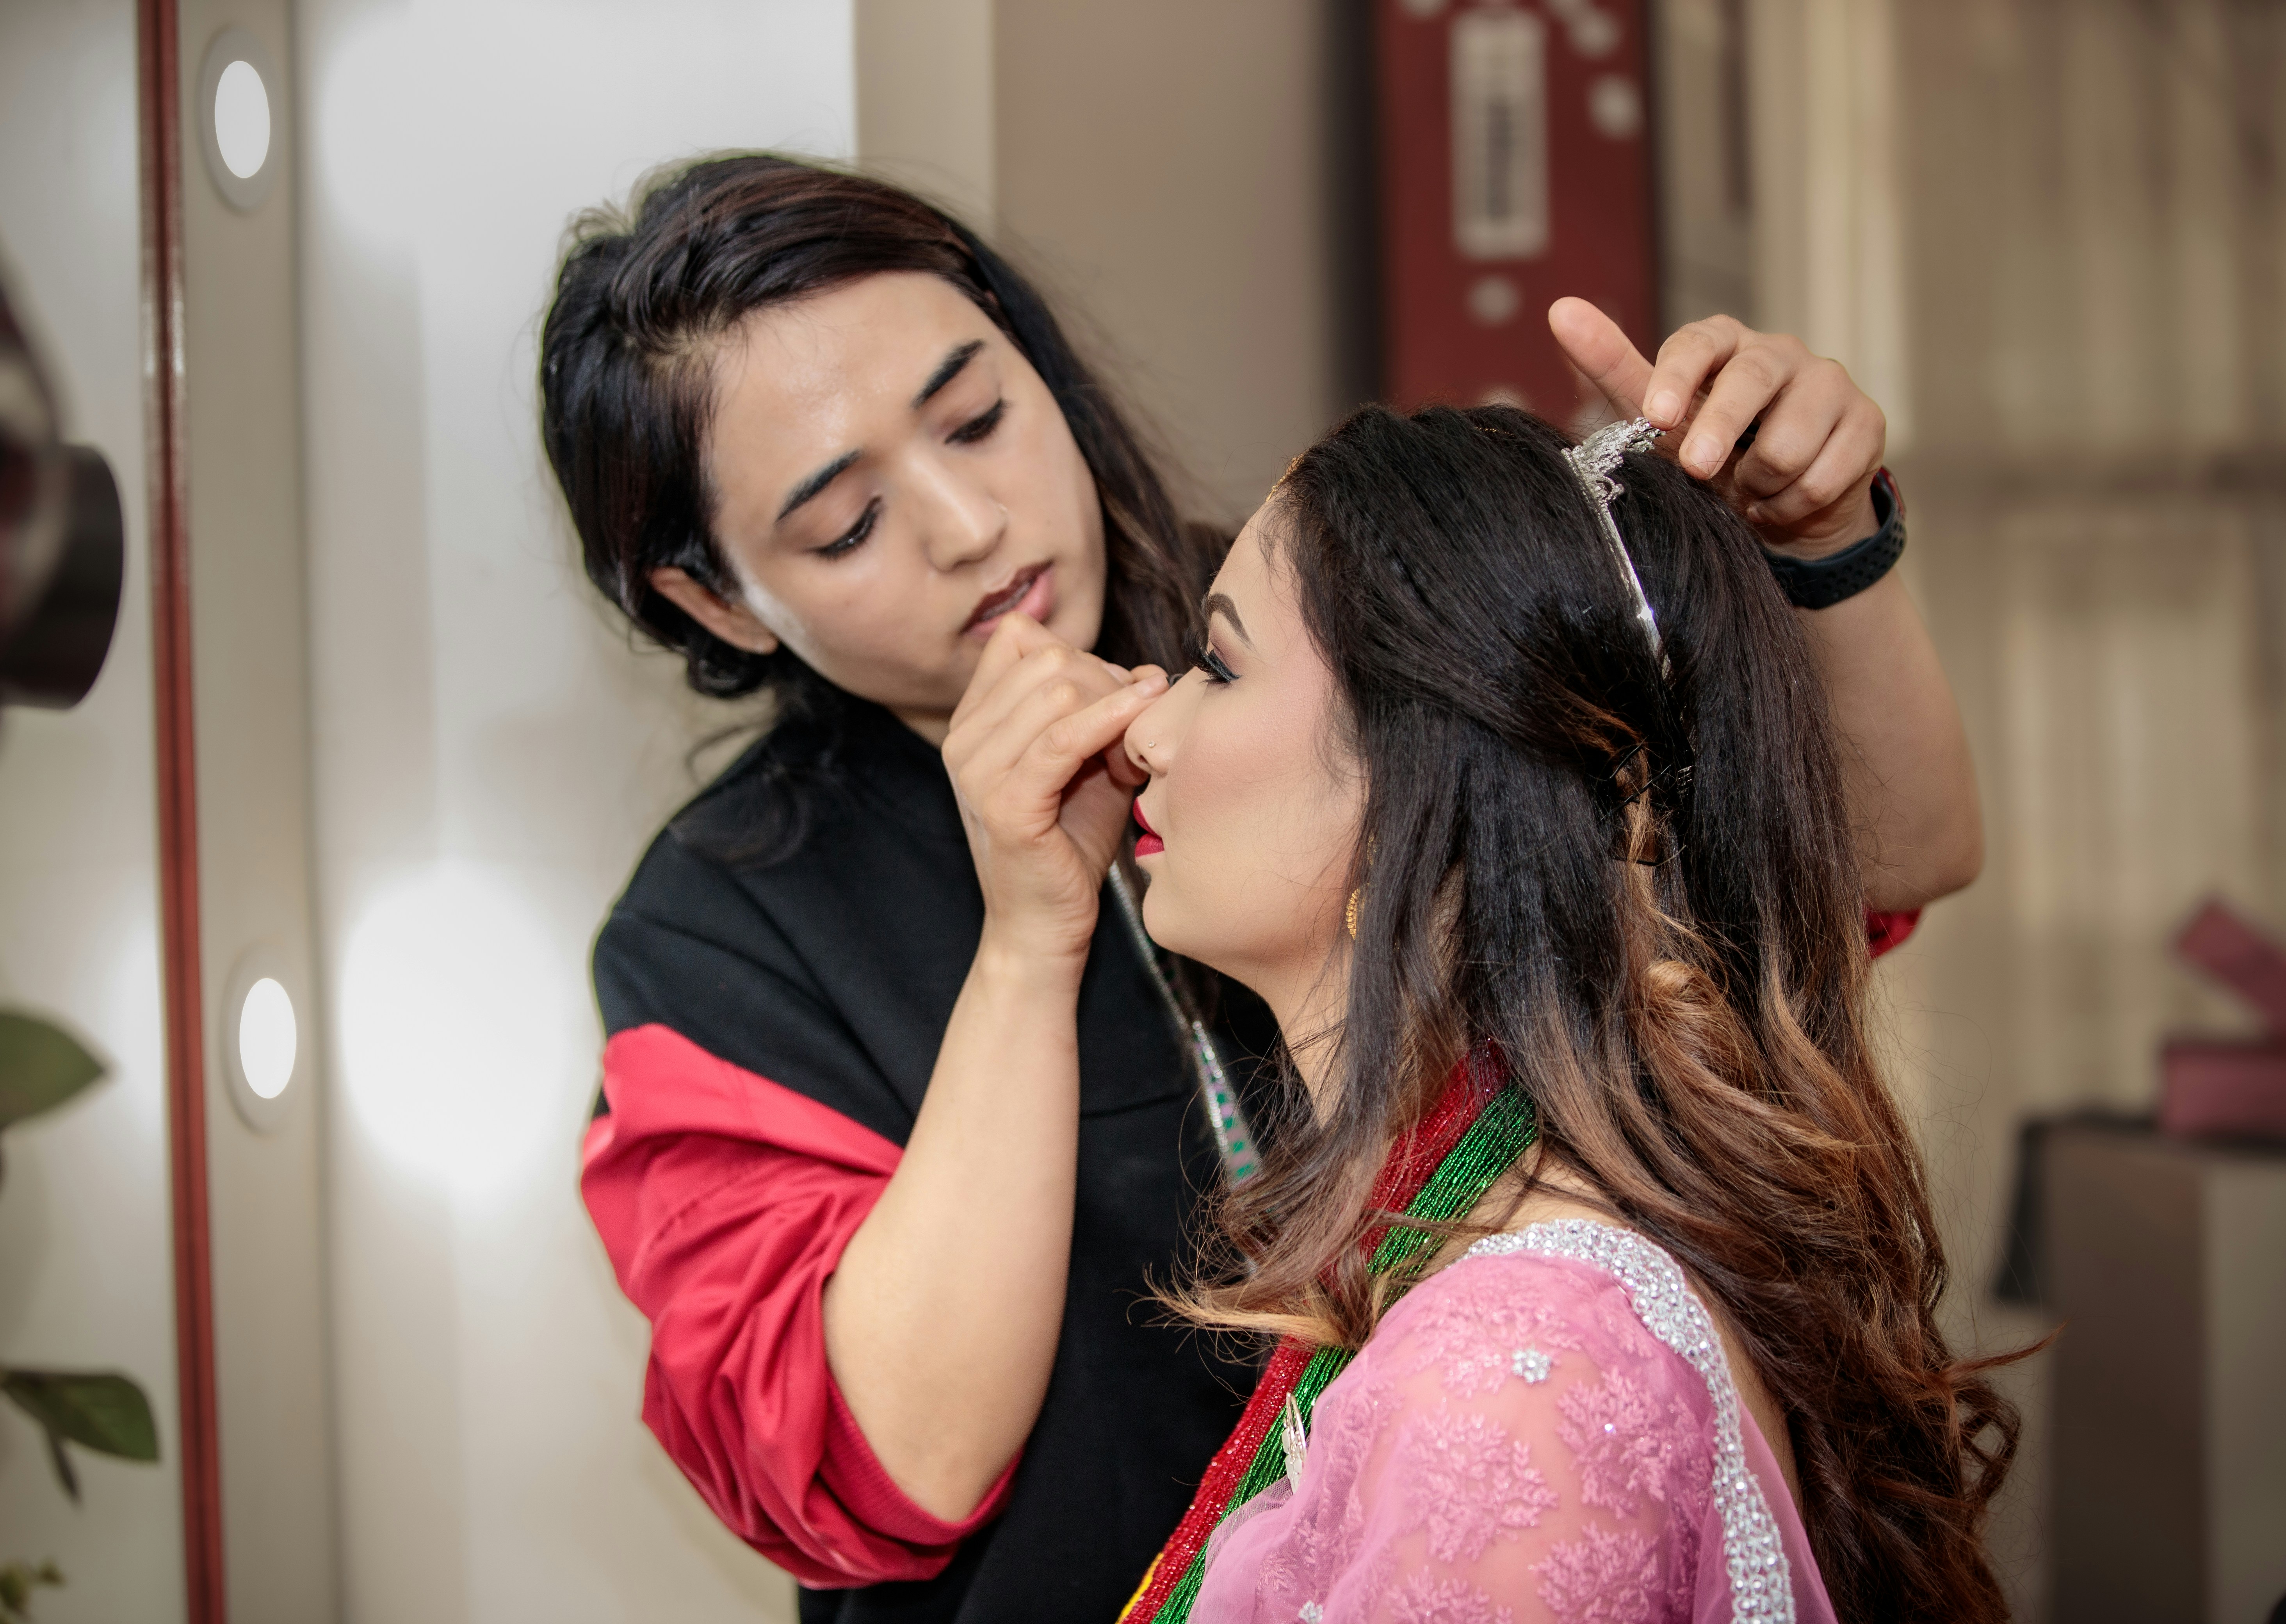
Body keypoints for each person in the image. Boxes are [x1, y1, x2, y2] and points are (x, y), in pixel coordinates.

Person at [545, 155, 1980, 1624]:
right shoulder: (714, 941)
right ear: (714, 598)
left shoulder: (1312, 635)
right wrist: (1028, 951)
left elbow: (1823, 866)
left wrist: (1822, 550)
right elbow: (897, 1461)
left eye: (978, 416)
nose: (969, 525)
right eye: (844, 526)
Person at [1106, 404, 2017, 1624]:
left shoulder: (1506, 1379)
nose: (1146, 729)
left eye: (1219, 666)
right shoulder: (1505, 1253)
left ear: (1421, 772)